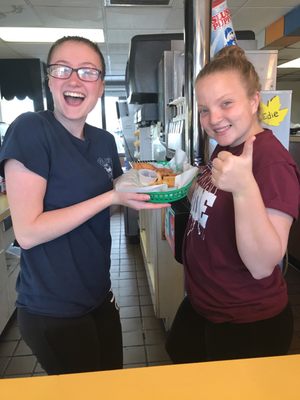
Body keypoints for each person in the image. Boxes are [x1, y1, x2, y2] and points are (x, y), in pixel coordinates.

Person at [0, 36, 169, 375]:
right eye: (62, 69)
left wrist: (139, 184)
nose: (74, 79)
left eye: (88, 71)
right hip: (53, 311)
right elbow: (29, 231)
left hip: (98, 296)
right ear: (49, 79)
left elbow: (109, 197)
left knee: (110, 383)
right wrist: (111, 196)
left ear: (101, 85)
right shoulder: (31, 130)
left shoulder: (103, 140)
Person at [166, 45, 300, 363]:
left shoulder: (270, 162)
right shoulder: (225, 148)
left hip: (246, 322)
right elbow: (212, 206)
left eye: (226, 103)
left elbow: (263, 264)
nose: (214, 119)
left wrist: (244, 188)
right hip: (204, 305)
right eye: (204, 109)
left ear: (254, 101)